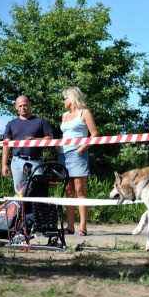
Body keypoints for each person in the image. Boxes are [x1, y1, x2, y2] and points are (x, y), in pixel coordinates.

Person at [58, 86, 98, 236]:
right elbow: (65, 134)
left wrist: (81, 149)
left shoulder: (84, 112)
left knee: (80, 191)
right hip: (63, 155)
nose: (63, 101)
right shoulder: (64, 115)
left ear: (72, 98)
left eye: (64, 98)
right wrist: (58, 147)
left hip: (77, 154)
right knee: (68, 191)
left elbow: (94, 134)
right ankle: (70, 226)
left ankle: (82, 227)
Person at [2, 96, 53, 192]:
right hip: (17, 161)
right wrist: (4, 164)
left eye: (25, 105)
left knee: (37, 189)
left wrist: (36, 140)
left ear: (30, 104)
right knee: (20, 191)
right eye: (20, 106)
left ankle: (36, 207)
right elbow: (6, 145)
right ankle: (22, 207)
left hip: (35, 161)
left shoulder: (40, 121)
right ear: (16, 107)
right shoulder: (11, 124)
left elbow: (50, 139)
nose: (23, 107)